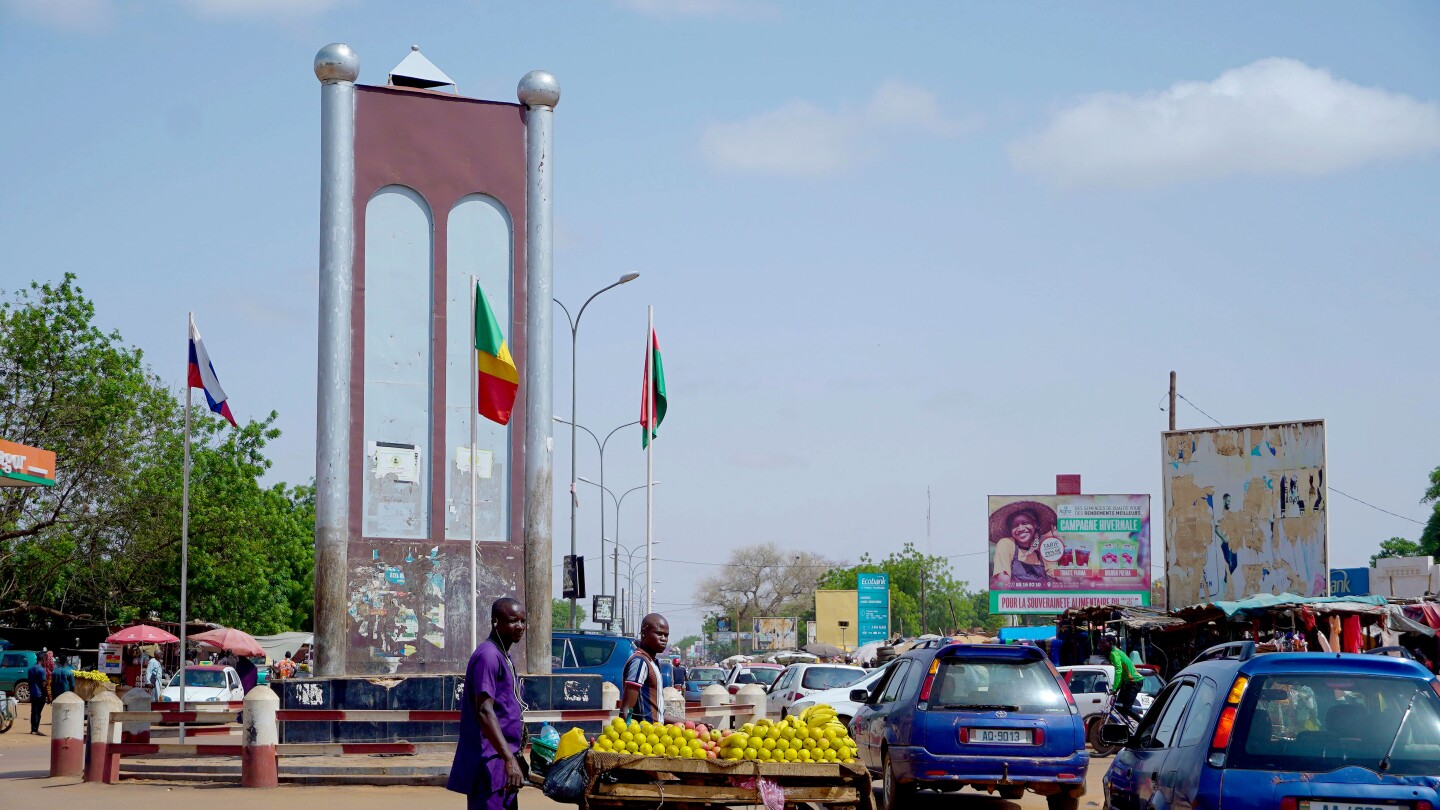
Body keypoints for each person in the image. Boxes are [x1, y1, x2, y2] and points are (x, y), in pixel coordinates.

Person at [448, 598, 527, 810]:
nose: (519, 626)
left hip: (503, 762)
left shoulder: (504, 655)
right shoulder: (488, 656)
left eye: (522, 621)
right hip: (490, 762)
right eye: (512, 621)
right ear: (495, 621)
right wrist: (508, 759)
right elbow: (484, 710)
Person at [990, 501, 1059, 588]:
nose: (1020, 528)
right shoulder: (1007, 544)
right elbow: (1003, 581)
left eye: (1025, 523)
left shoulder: (1042, 548)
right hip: (1014, 600)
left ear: (1035, 524)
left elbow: (1056, 578)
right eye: (1015, 525)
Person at [619, 613, 669, 723]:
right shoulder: (639, 662)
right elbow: (626, 710)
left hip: (657, 734)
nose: (663, 639)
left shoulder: (653, 662)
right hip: (644, 736)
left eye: (666, 635)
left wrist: (693, 723)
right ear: (644, 633)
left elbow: (657, 716)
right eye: (659, 634)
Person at [1099, 635, 1143, 724]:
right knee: (1118, 706)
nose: (1101, 645)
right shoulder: (1117, 652)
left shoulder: (1114, 654)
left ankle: (1143, 725)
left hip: (1133, 682)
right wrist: (1117, 688)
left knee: (1127, 708)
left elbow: (1118, 671)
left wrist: (1114, 688)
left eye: (1103, 642)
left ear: (1110, 643)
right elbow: (1122, 672)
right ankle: (1128, 726)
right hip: (1128, 682)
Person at [27, 658, 48, 735]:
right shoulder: (42, 670)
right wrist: (47, 694)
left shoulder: (30, 669)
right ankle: (35, 730)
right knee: (38, 713)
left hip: (33, 693)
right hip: (40, 694)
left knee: (33, 711)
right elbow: (43, 684)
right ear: (42, 660)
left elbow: (29, 682)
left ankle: (33, 729)